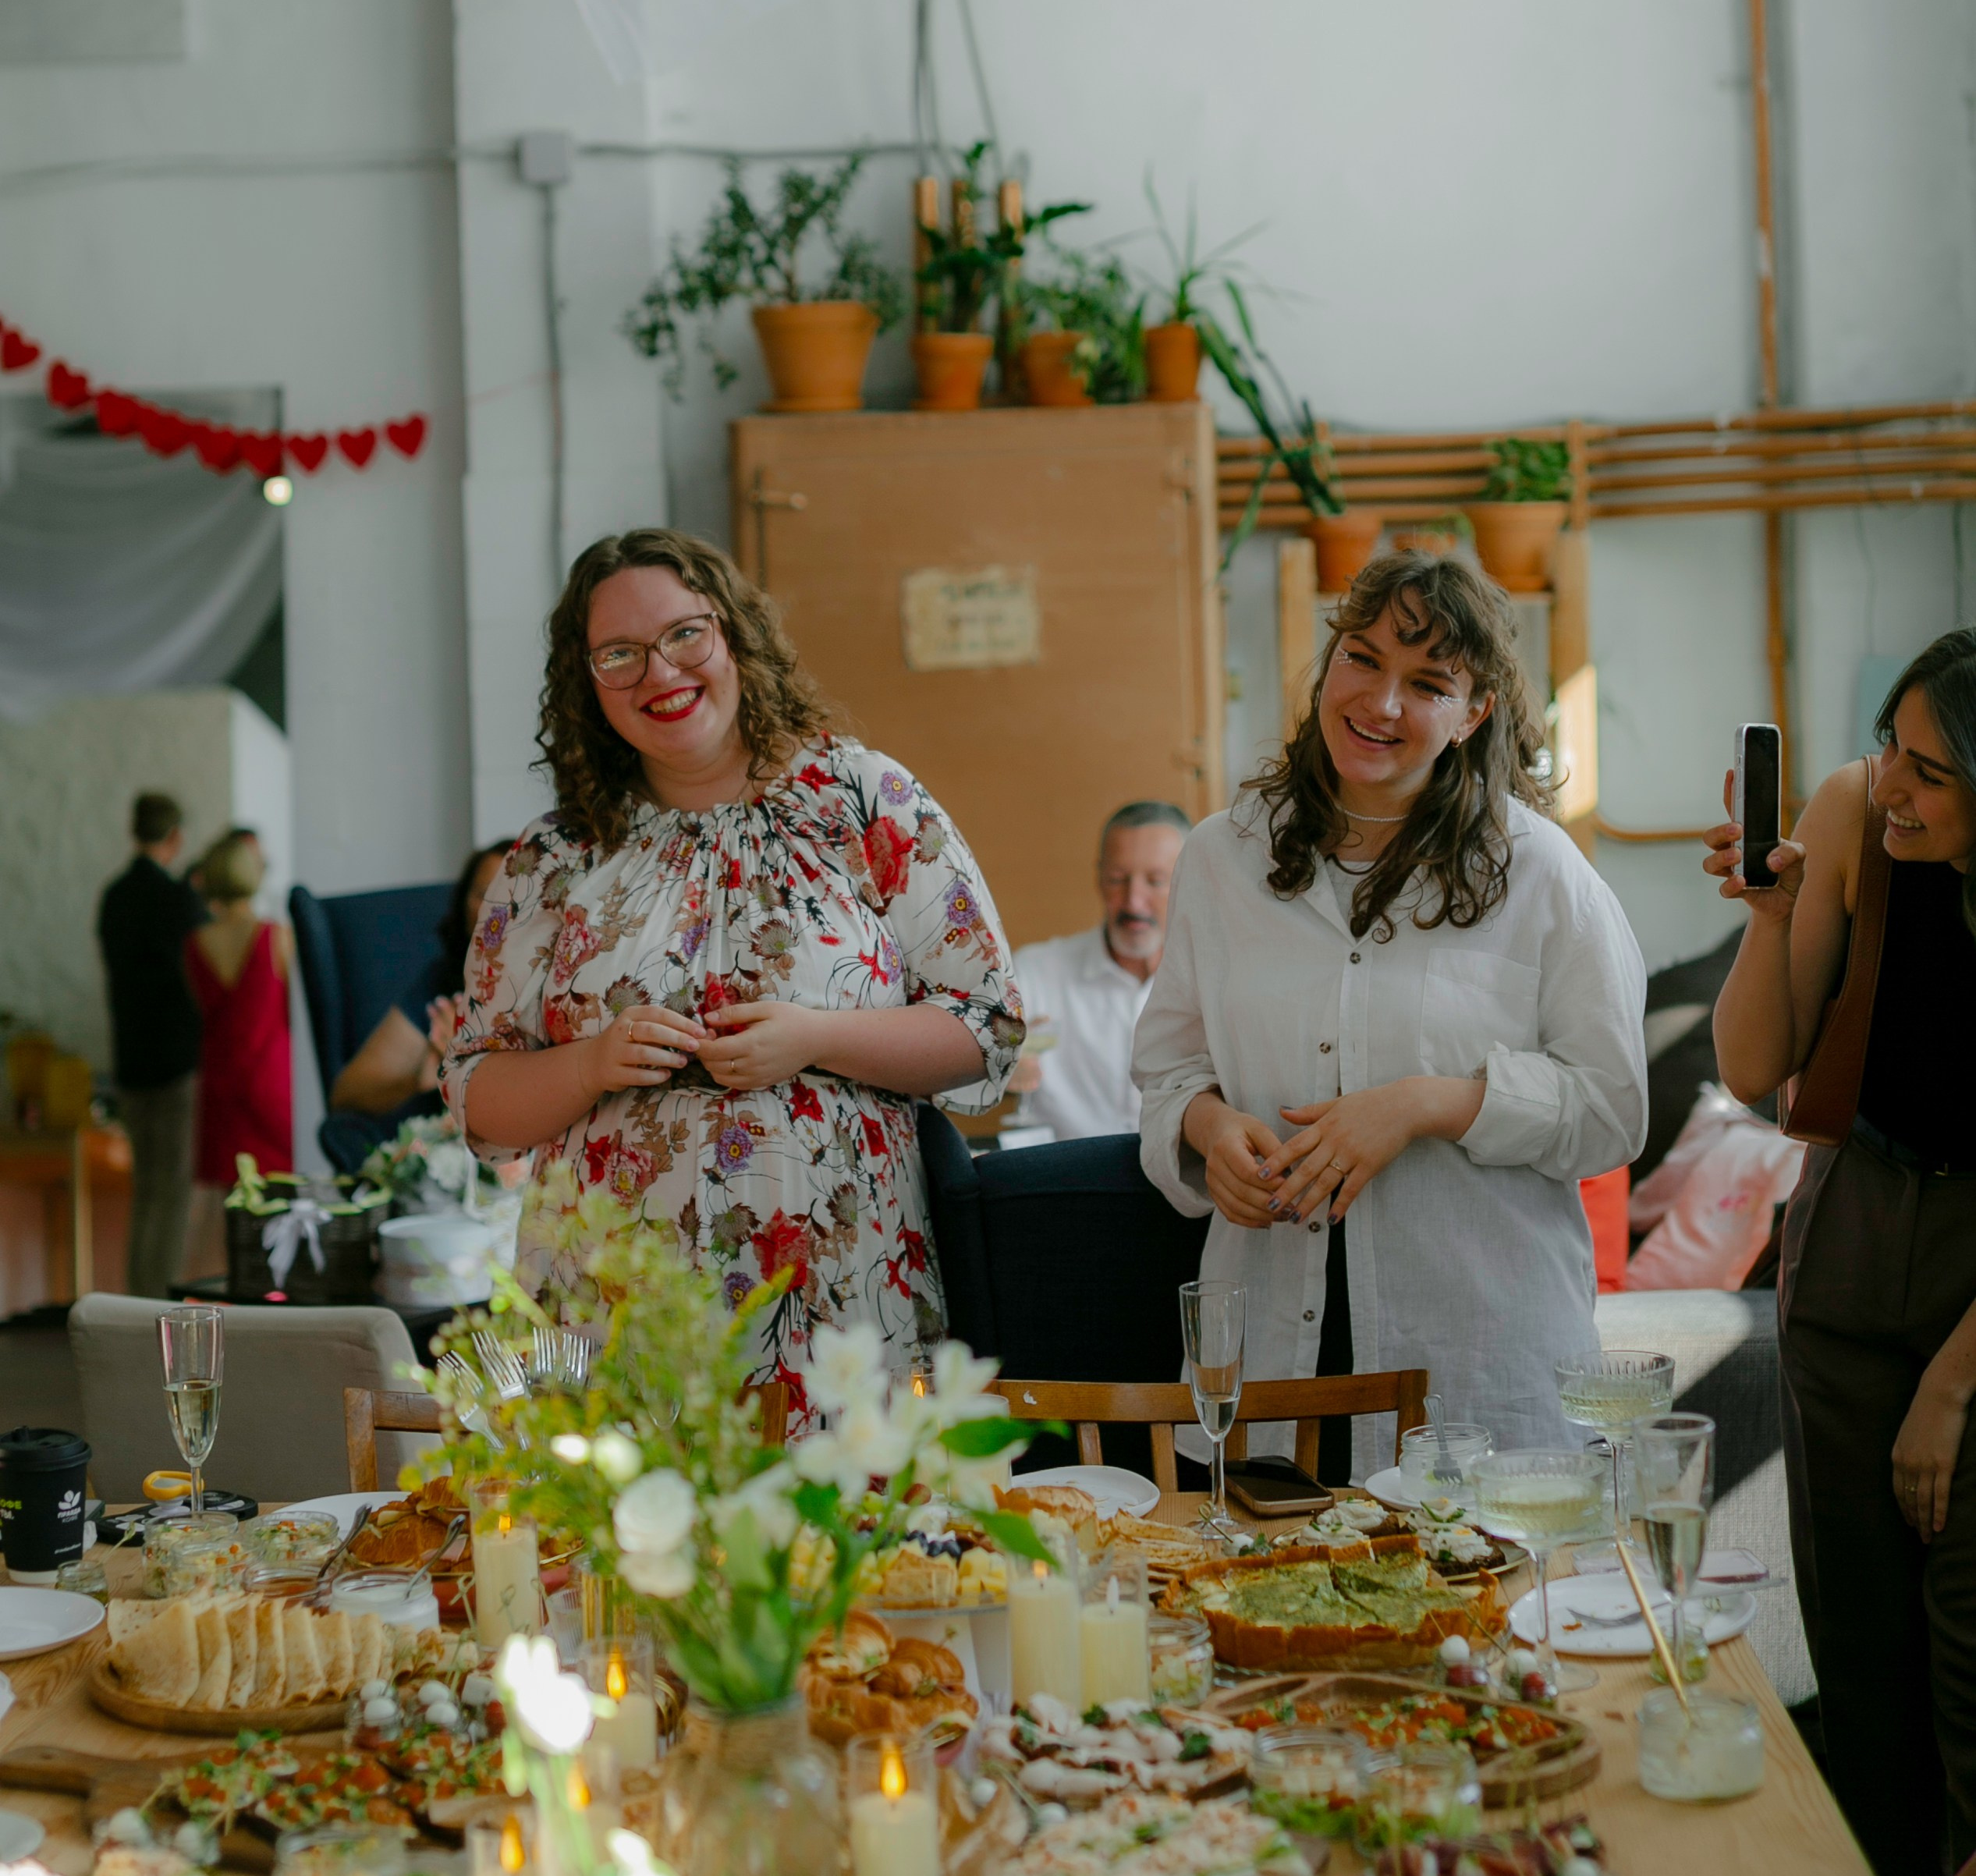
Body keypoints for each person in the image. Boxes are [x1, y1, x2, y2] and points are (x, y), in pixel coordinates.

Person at [443, 527, 1023, 1413]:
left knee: (849, 1551)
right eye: (619, 654)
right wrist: (590, 1063)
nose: (660, 673)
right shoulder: (552, 859)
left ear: (734, 634)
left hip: (839, 1308)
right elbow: (477, 1096)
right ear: (585, 681)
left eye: (684, 634)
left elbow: (984, 1025)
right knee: (620, 1552)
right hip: (611, 1321)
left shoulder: (862, 797)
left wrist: (819, 1037)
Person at [1133, 552, 1648, 1487]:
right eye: (1361, 658)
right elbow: (1166, 1074)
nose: (1381, 702)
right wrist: (1210, 1130)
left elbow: (1613, 1107)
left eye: (1427, 683)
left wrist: (1428, 1104)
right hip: (1269, 1377)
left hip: (1477, 1372)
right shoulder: (1221, 859)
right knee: (1264, 1625)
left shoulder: (1539, 872)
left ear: (1474, 710)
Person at [1706, 626, 1976, 1876]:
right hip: (1854, 1241)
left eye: (1927, 769)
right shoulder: (1849, 821)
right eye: (1887, 743)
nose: (1889, 784)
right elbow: (1754, 1068)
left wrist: (1949, 1388)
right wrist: (1769, 914)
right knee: (1861, 1667)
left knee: (1965, 1663)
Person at [1007, 801, 1190, 1141]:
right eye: (1117, 879)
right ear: (1099, 878)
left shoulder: (1213, 982)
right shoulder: (1036, 973)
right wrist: (996, 1068)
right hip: (1068, 1180)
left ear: (1190, 883)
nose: (1134, 901)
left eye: (1156, 881)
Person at [96, 790, 205, 1298]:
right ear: (175, 837)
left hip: (130, 1058)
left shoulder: (115, 896)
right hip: (177, 1060)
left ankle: (136, 1298)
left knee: (145, 1192)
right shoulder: (178, 900)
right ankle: (160, 1303)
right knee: (173, 1193)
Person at [330, 840, 513, 1120]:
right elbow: (346, 1094)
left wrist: (469, 1063)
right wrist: (420, 1078)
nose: (493, 913)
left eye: (510, 900)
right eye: (482, 894)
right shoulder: (441, 983)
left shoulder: (559, 993)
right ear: (464, 904)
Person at [183, 829, 294, 1268]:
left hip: (220, 1081)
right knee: (279, 1196)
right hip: (270, 1077)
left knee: (226, 1205)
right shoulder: (275, 936)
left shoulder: (195, 945)